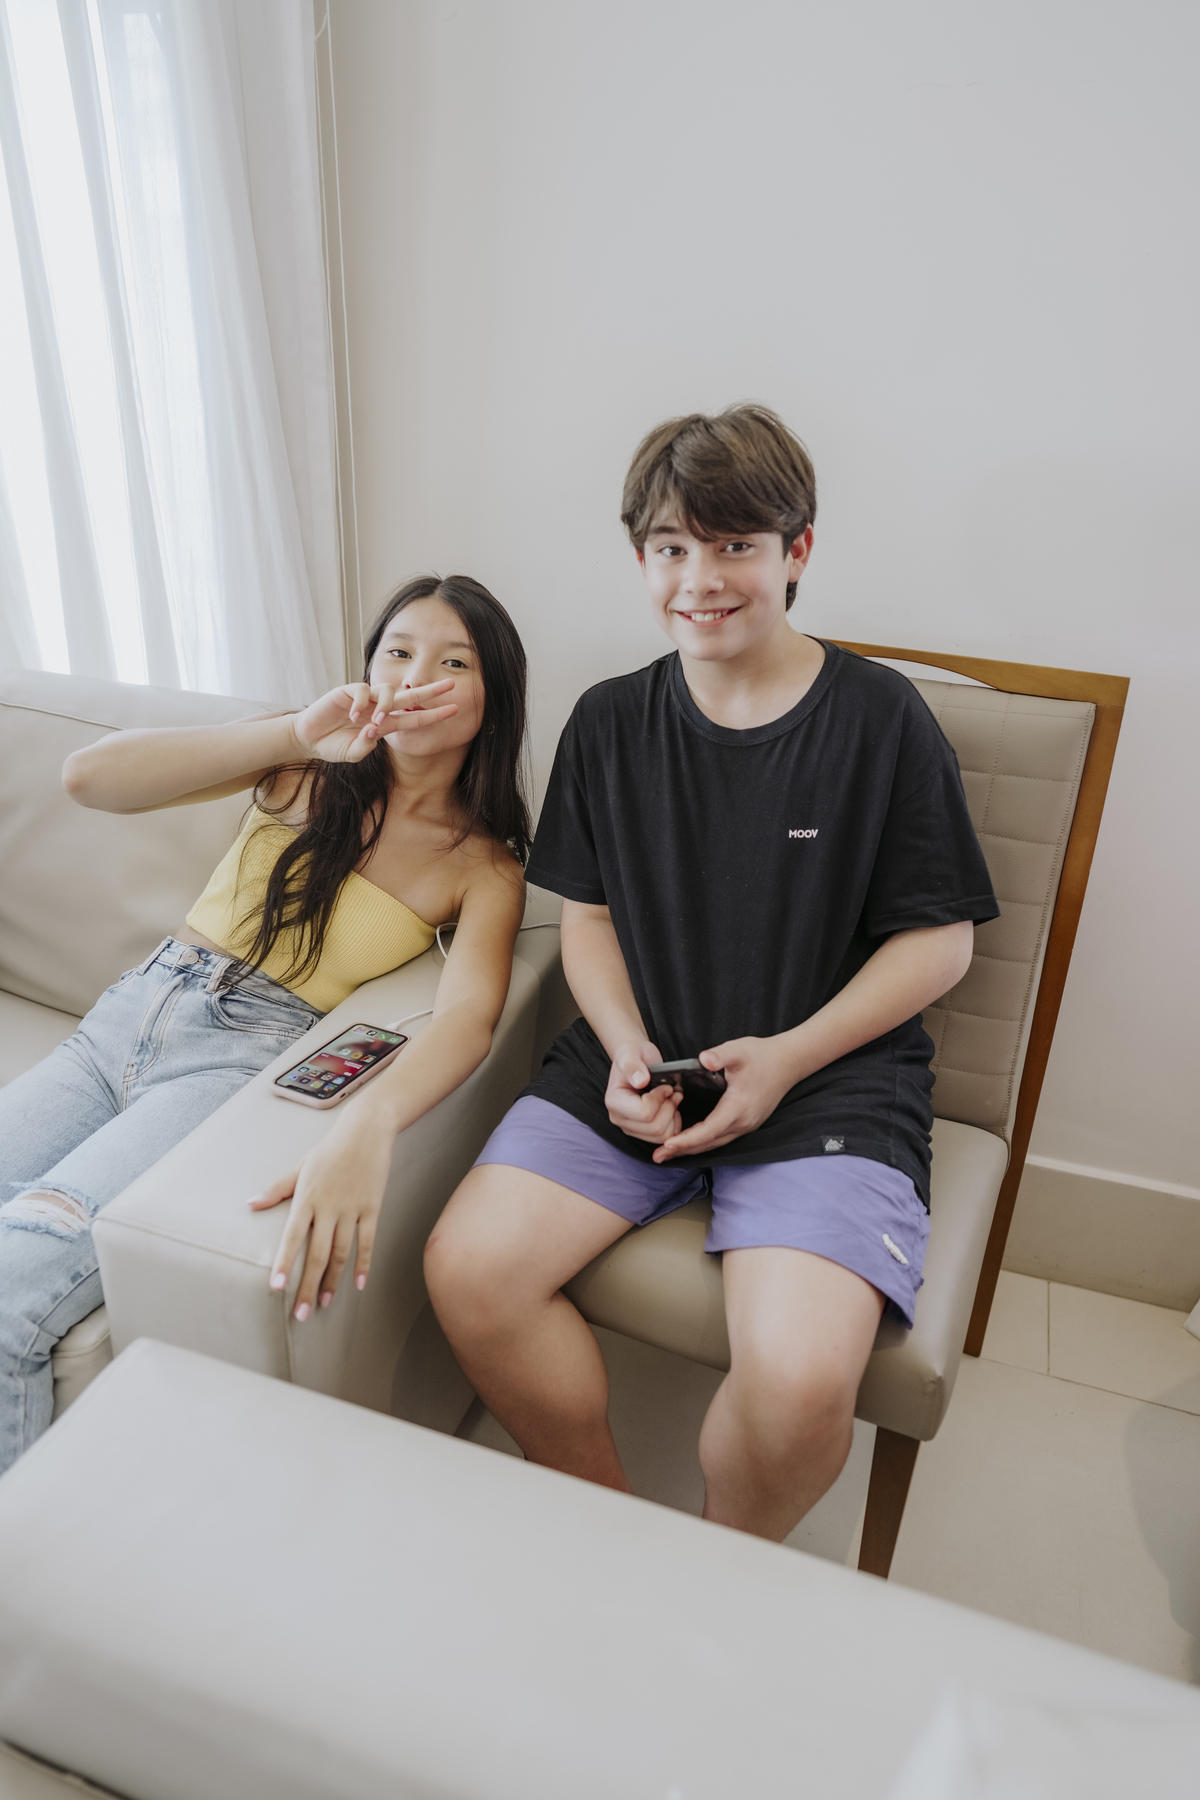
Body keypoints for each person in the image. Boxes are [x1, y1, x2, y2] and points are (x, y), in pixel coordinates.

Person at [424, 406, 999, 1542]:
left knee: (797, 1386)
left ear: (798, 551)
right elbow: (588, 917)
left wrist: (785, 1060)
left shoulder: (881, 720)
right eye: (671, 547)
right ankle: (618, 1537)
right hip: (642, 1062)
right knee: (469, 1274)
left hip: (826, 1084)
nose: (700, 579)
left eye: (735, 544)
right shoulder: (609, 722)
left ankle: (717, 1568)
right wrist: (625, 1045)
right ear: (642, 558)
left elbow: (942, 942)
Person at [0, 574, 529, 1473]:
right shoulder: (301, 765)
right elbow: (87, 778)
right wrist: (295, 732)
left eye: (453, 663)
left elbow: (468, 1020)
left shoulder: (482, 867)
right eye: (398, 652)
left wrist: (368, 1124)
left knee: (15, 1283)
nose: (415, 677)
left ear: (492, 696)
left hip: (234, 1062)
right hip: (118, 1022)